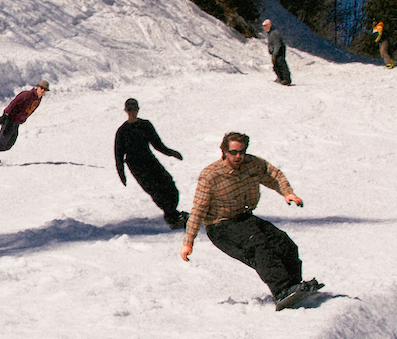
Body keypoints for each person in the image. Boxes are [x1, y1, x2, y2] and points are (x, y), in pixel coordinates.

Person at [179, 132, 320, 307]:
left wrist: (288, 192)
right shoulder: (210, 176)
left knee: (283, 242)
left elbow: (273, 175)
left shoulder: (252, 164)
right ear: (224, 151)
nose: (238, 156)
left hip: (245, 219)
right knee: (259, 245)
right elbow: (197, 211)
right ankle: (282, 290)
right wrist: (188, 242)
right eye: (234, 152)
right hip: (221, 227)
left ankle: (294, 285)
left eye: (242, 152)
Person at [114, 98, 187, 228]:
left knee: (169, 184)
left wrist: (172, 153)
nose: (132, 112)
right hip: (136, 166)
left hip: (149, 160)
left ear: (138, 109)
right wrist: (121, 173)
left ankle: (173, 213)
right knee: (155, 191)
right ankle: (172, 217)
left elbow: (158, 144)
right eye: (130, 110)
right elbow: (118, 155)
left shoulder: (145, 125)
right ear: (125, 111)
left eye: (135, 109)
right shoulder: (122, 131)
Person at [0, 79, 50, 166]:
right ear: (37, 87)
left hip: (16, 122)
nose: (43, 91)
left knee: (8, 144)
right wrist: (5, 115)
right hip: (10, 119)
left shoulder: (38, 99)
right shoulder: (27, 94)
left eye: (45, 90)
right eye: (41, 88)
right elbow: (14, 102)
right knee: (2, 141)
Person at [263, 19, 292, 86]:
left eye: (265, 25)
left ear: (269, 25)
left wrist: (275, 53)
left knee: (281, 64)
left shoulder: (274, 33)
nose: (264, 27)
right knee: (275, 65)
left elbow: (277, 44)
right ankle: (280, 77)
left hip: (279, 51)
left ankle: (286, 79)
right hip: (275, 51)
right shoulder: (269, 33)